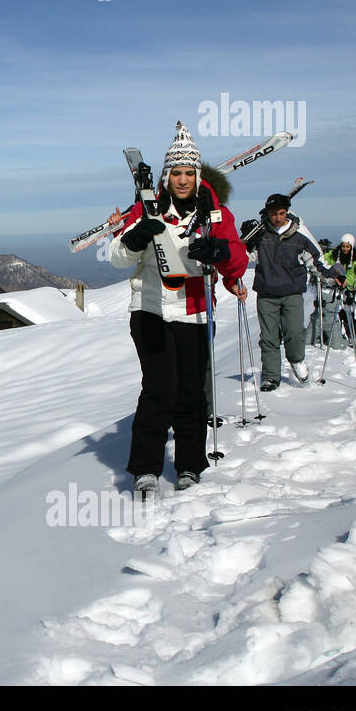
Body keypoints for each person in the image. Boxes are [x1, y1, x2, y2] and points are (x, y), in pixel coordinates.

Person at [109, 124, 248, 496]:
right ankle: (146, 468)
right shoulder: (146, 208)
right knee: (158, 388)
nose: (182, 180)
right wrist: (134, 238)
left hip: (196, 311)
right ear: (166, 177)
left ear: (198, 176)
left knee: (190, 391)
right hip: (150, 309)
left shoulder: (215, 214)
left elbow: (236, 259)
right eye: (176, 173)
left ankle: (189, 464)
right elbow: (116, 257)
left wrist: (221, 254)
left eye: (189, 173)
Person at [239, 193, 341, 390]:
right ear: (267, 214)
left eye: (281, 213)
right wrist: (244, 240)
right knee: (268, 337)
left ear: (287, 213)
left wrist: (333, 276)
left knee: (294, 332)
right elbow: (242, 257)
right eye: (273, 214)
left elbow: (316, 263)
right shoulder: (261, 236)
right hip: (266, 293)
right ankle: (270, 376)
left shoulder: (299, 238)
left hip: (292, 293)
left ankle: (297, 361)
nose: (277, 218)